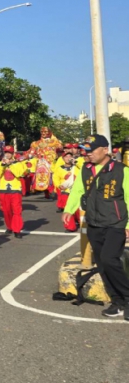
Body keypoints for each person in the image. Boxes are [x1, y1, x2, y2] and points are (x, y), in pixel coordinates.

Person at [63, 135, 129, 319]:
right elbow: (77, 190)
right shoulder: (85, 169)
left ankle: (128, 297)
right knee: (102, 264)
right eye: (86, 150)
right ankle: (118, 302)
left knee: (110, 259)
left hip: (116, 223)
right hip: (93, 223)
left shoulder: (121, 170)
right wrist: (69, 209)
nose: (88, 154)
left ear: (105, 150)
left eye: (91, 150)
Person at [0, 146, 32, 238]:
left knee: (16, 210)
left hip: (15, 190)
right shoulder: (0, 163)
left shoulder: (18, 163)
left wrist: (11, 164)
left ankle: (17, 229)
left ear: (12, 153)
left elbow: (19, 174)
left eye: (9, 153)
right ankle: (9, 226)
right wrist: (3, 165)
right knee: (6, 210)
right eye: (6, 152)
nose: (7, 154)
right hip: (3, 190)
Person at [53, 147, 79, 230]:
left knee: (78, 209)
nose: (68, 158)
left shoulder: (76, 167)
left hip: (75, 191)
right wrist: (59, 185)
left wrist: (76, 163)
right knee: (67, 209)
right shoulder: (59, 169)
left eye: (70, 157)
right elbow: (55, 178)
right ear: (63, 158)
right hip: (65, 191)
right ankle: (70, 226)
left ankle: (79, 220)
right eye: (66, 157)